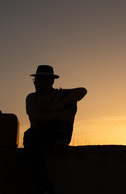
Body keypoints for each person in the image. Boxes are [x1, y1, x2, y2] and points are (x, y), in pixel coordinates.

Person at [24, 65, 87, 194]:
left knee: (70, 101)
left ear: (49, 81)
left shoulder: (60, 94)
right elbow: (35, 117)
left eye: (38, 79)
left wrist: (60, 105)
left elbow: (82, 91)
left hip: (60, 131)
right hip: (40, 134)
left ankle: (61, 139)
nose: (35, 83)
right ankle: (45, 188)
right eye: (35, 80)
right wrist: (57, 115)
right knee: (29, 136)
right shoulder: (31, 98)